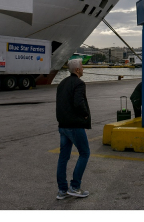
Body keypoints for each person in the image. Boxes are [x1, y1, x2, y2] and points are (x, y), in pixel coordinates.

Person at [55, 58, 91, 199]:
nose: (83, 69)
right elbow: (78, 103)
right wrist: (85, 115)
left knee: (63, 157)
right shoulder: (79, 84)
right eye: (82, 67)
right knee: (84, 153)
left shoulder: (62, 83)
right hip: (74, 126)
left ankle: (62, 190)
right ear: (77, 70)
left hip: (63, 125)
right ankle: (75, 187)